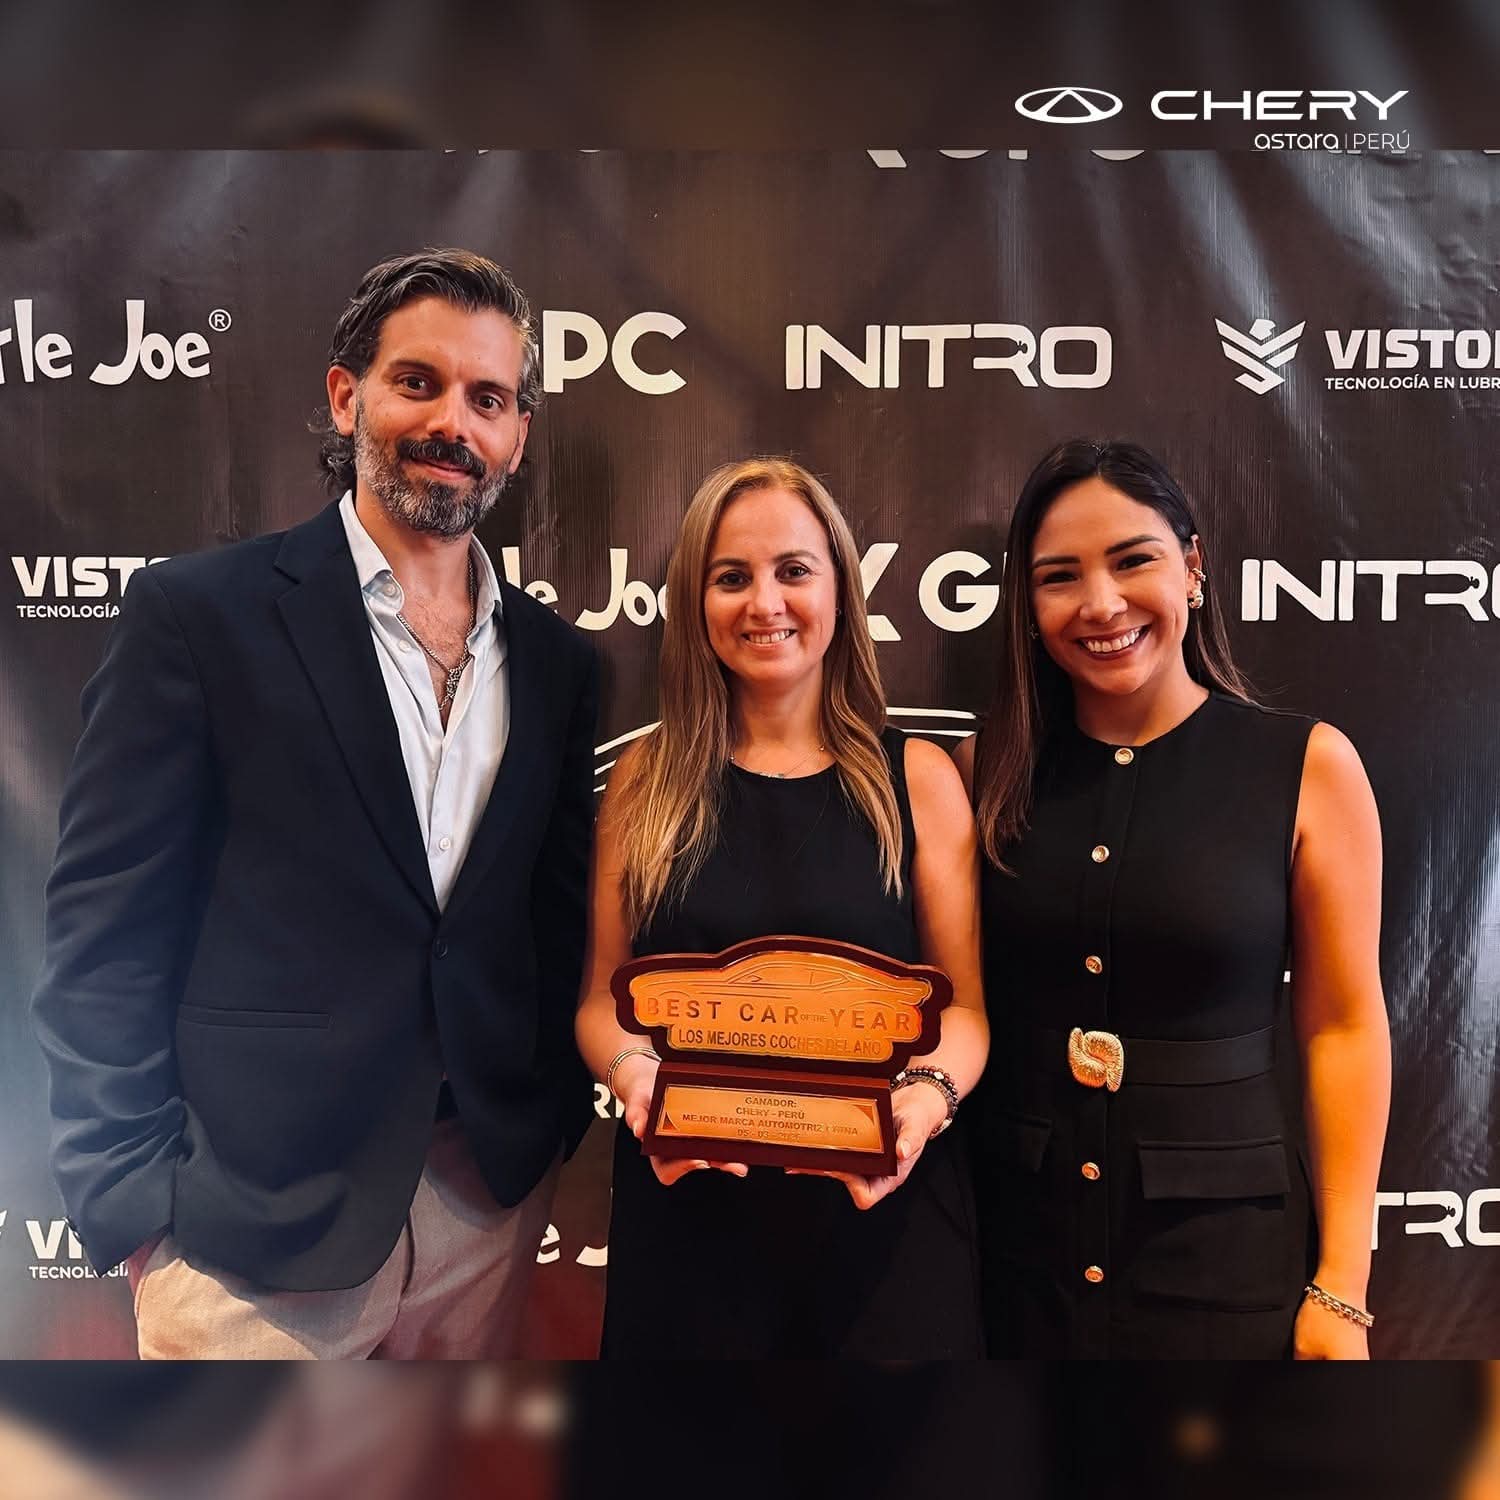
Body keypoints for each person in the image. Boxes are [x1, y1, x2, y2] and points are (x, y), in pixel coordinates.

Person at [31, 248, 599, 1358]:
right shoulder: (199, 616)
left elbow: (550, 919)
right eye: (418, 382)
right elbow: (104, 926)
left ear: (519, 434)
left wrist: (542, 1126)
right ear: (348, 396)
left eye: (488, 398)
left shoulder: (557, 663)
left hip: (480, 1209)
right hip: (246, 1225)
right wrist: (134, 1201)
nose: (453, 423)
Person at [955, 438, 1390, 1359]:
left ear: (1192, 569)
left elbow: (1344, 1029)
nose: (1101, 604)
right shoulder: (979, 773)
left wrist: (1342, 1290)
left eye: (1133, 560)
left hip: (1226, 1264)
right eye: (1059, 576)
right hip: (1012, 1260)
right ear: (1027, 605)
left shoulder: (1307, 767)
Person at [574, 457, 988, 1357]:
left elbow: (963, 1012)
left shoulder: (917, 779)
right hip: (689, 1228)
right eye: (731, 577)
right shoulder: (645, 780)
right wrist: (638, 1081)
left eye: (793, 570)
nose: (764, 603)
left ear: (839, 588)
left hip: (884, 1231)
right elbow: (603, 998)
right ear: (695, 603)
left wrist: (922, 1103)